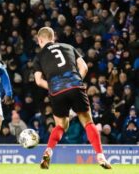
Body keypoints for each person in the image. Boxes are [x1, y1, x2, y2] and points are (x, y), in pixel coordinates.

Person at [33, 27, 111, 169]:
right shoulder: (68, 46)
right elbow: (84, 67)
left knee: (61, 125)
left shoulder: (38, 56)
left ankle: (48, 152)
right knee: (88, 122)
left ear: (40, 40)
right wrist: (75, 82)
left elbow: (38, 81)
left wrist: (53, 87)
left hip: (56, 90)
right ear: (53, 37)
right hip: (75, 85)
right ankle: (100, 156)